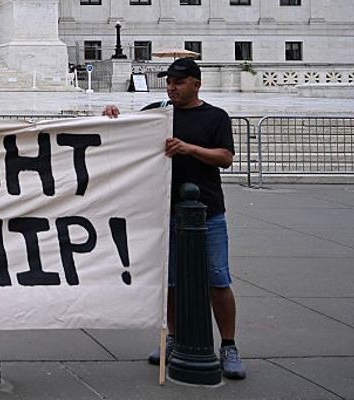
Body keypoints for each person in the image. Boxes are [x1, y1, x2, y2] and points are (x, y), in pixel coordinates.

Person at [102, 57, 245, 380]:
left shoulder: (215, 117)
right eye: (169, 81)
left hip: (208, 212)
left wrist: (189, 149)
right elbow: (128, 133)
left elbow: (225, 158)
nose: (172, 87)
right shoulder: (159, 112)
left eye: (179, 82)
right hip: (164, 211)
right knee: (171, 282)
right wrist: (111, 116)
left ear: (196, 83)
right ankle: (173, 339)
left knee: (217, 281)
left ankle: (228, 345)